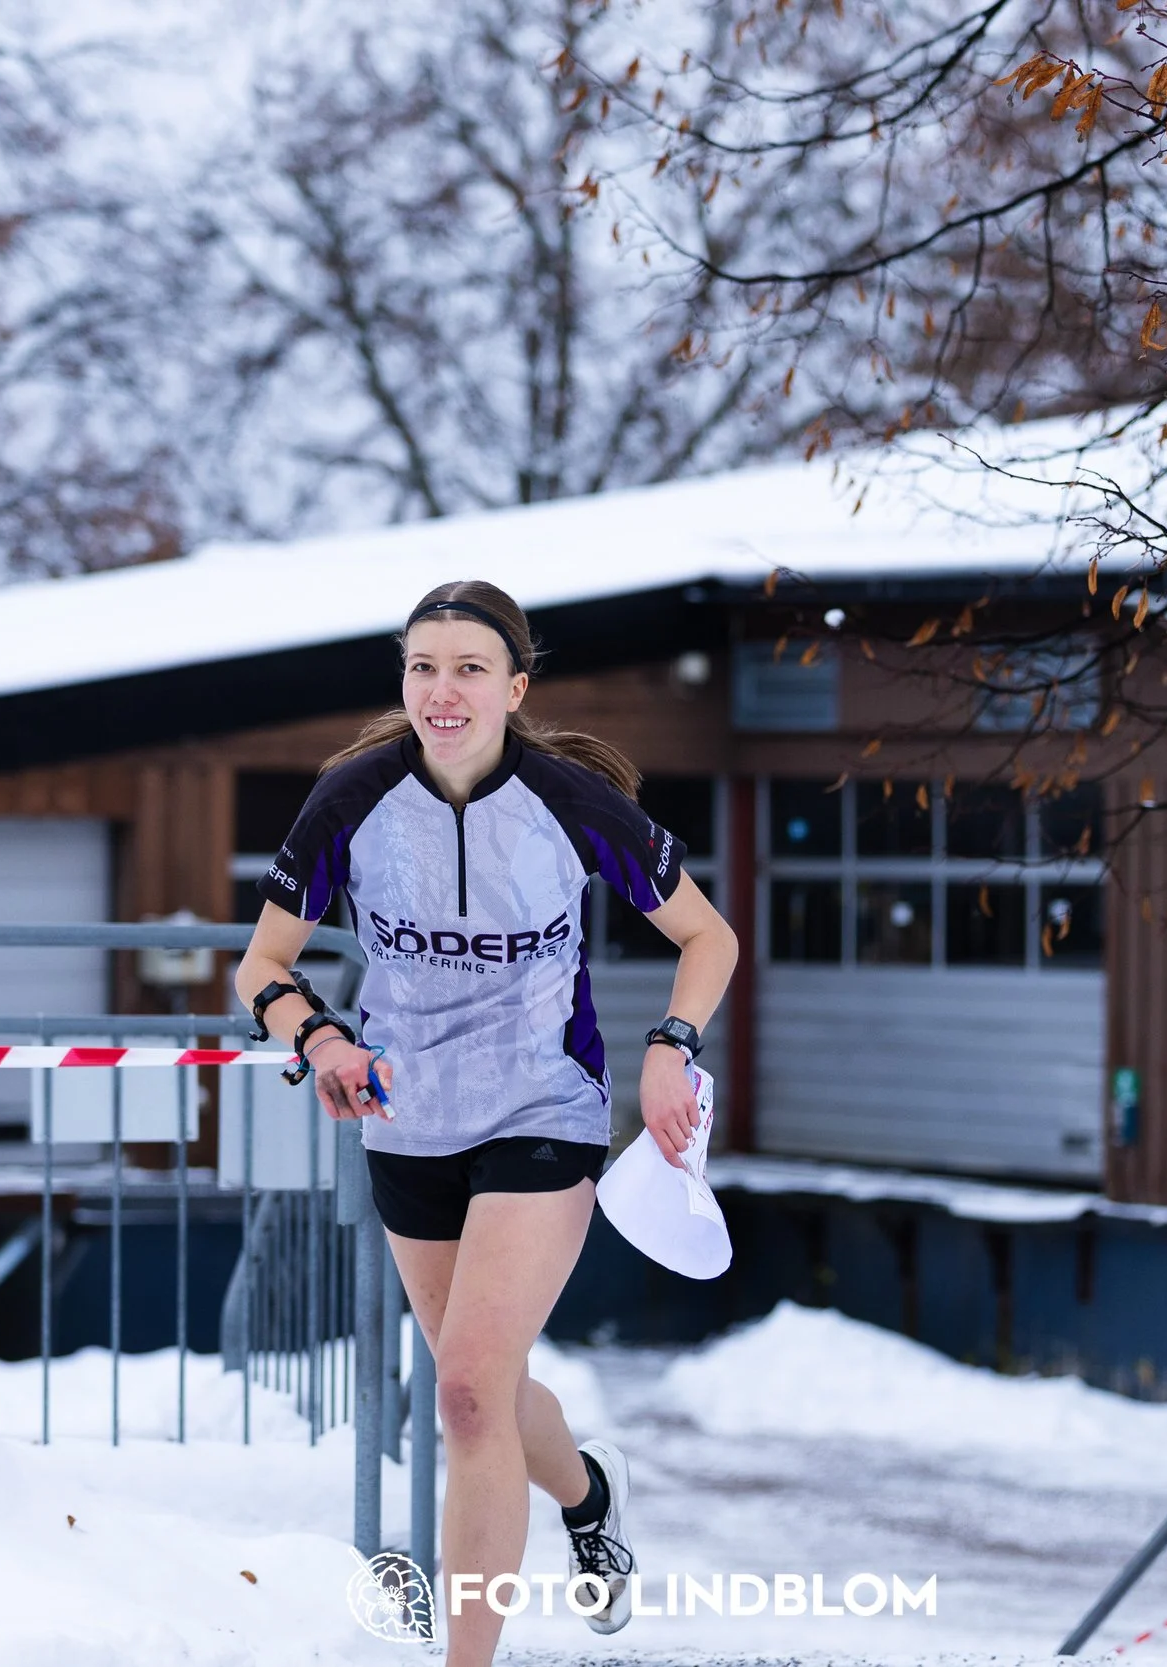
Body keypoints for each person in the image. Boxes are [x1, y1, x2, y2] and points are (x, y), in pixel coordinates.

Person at [234, 580, 738, 1666]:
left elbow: (709, 939)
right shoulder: (349, 799)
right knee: (489, 1388)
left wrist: (671, 1046)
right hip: (405, 1120)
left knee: (462, 1391)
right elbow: (262, 964)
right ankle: (588, 1489)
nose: (442, 690)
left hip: (542, 1108)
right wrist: (321, 1039)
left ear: (514, 686)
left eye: (468, 668)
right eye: (423, 666)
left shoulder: (570, 800)